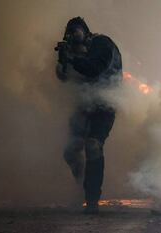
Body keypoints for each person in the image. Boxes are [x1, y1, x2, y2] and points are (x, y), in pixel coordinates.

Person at [55, 17, 122, 214]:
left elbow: (94, 69)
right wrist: (62, 61)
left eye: (75, 32)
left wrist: (72, 59)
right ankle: (82, 185)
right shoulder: (75, 52)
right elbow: (63, 77)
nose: (73, 37)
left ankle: (92, 199)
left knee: (93, 145)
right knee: (71, 151)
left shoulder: (102, 43)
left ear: (86, 32)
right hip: (85, 106)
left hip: (105, 105)